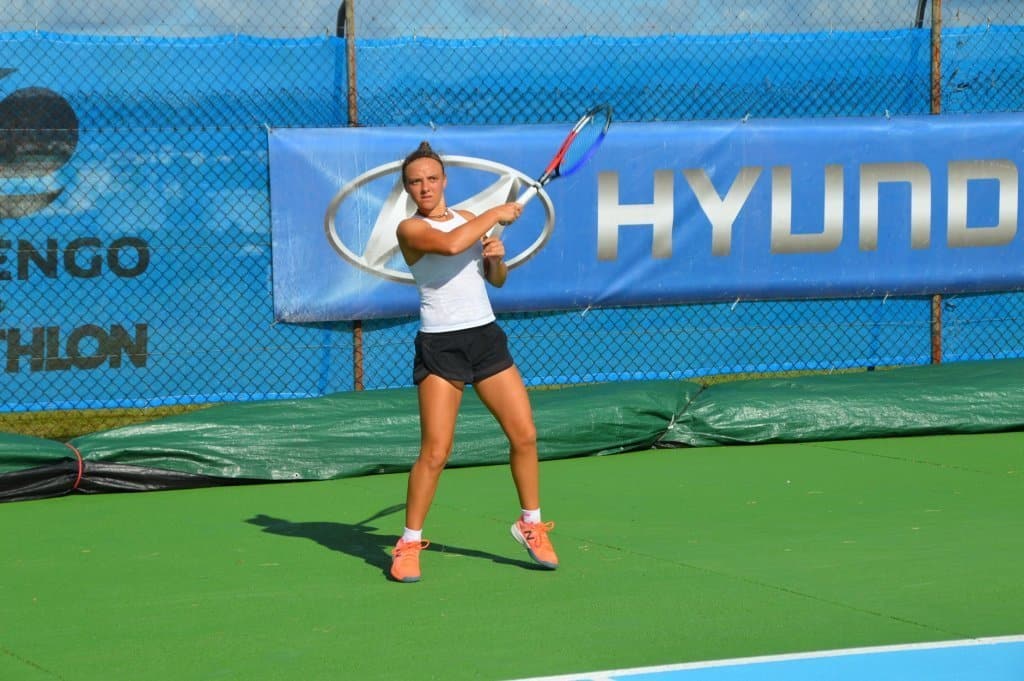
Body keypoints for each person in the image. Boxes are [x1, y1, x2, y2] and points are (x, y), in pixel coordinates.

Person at [389, 141, 558, 583]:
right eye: (415, 182)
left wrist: (496, 259)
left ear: (443, 181)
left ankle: (530, 523)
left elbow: (494, 280)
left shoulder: (467, 220)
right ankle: (408, 543)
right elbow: (448, 247)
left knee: (524, 435)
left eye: (430, 179)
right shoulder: (410, 230)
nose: (424, 187)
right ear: (407, 189)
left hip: (485, 339)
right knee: (436, 451)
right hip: (441, 347)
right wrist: (494, 215)